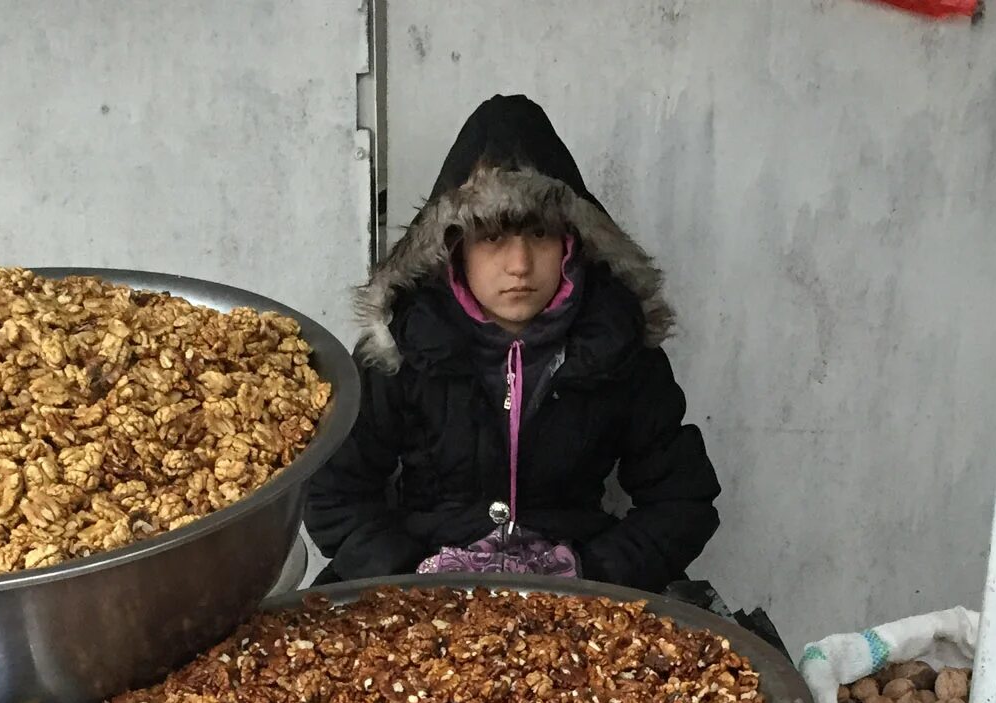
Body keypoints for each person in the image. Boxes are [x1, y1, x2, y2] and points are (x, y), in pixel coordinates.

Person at [307, 95, 721, 591]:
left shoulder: (618, 345)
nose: (520, 264)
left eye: (540, 235)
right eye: (493, 238)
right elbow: (334, 495)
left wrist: (593, 573)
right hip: (422, 585)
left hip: (577, 591)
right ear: (453, 246)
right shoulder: (403, 346)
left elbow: (683, 500)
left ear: (573, 243)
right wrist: (411, 575)